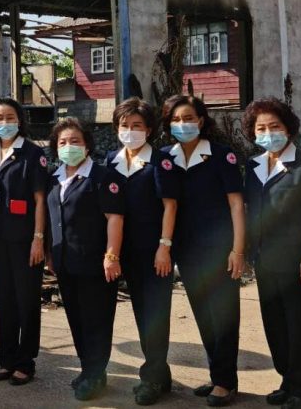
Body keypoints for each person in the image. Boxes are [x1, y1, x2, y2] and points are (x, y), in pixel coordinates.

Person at [242, 98, 301, 409]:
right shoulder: (254, 167)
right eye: (261, 128)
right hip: (265, 261)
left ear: (288, 128)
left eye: (275, 126)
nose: (268, 133)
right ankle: (288, 381)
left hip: (299, 264)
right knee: (276, 326)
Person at [158, 94, 246, 407]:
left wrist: (238, 249)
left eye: (188, 118)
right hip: (187, 250)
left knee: (224, 316)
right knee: (204, 315)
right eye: (176, 120)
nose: (182, 124)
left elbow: (236, 205)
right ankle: (217, 375)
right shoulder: (165, 158)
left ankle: (226, 382)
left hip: (220, 249)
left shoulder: (221, 155)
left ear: (201, 121)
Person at [46, 117, 125, 402]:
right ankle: (87, 368)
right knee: (76, 319)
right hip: (65, 262)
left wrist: (111, 256)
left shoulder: (103, 177)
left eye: (75, 141)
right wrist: (50, 255)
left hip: (95, 264)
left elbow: (114, 218)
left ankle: (96, 374)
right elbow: (52, 220)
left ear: (87, 145)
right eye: (63, 142)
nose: (69, 146)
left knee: (96, 321)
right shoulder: (55, 178)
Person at [109, 98, 181, 406]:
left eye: (137, 125)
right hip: (127, 252)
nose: (130, 131)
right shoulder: (111, 161)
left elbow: (170, 206)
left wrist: (164, 247)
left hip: (155, 252)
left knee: (155, 313)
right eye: (124, 125)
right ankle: (160, 373)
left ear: (149, 130)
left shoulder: (160, 162)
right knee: (141, 312)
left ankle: (151, 378)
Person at [0, 97, 49, 386]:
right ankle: (7, 360)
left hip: (25, 239)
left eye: (10, 117)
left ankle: (25, 362)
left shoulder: (33, 154)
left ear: (19, 121)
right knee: (5, 300)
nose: (5, 123)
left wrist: (38, 239)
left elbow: (40, 200)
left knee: (26, 300)